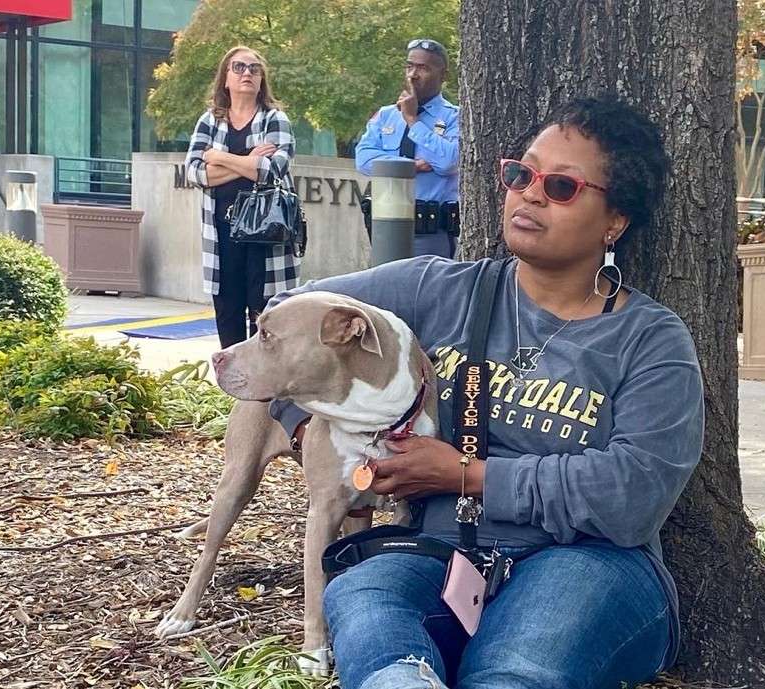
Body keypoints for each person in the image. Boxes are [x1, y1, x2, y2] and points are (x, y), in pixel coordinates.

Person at [269, 98, 704, 688]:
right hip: (437, 554)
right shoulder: (435, 288)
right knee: (366, 604)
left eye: (561, 186)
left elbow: (633, 495)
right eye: (521, 174)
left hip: (587, 562)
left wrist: (465, 476)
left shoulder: (649, 338)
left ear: (615, 221)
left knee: (518, 670)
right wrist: (309, 428)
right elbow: (284, 320)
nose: (529, 194)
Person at [184, 46, 297, 348]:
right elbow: (195, 173)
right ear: (225, 78)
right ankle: (233, 391)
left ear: (262, 80)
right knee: (227, 314)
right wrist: (248, 161)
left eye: (254, 68)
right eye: (239, 67)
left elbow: (271, 170)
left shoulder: (276, 119)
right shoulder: (209, 121)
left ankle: (263, 393)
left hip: (266, 234)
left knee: (265, 318)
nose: (247, 73)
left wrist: (217, 157)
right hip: (222, 233)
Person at [356, 39, 460, 258]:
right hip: (386, 229)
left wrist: (413, 121)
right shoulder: (387, 114)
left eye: (423, 68)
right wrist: (409, 167)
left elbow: (449, 162)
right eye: (409, 66)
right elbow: (363, 159)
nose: (413, 74)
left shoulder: (454, 117)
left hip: (430, 232)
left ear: (443, 76)